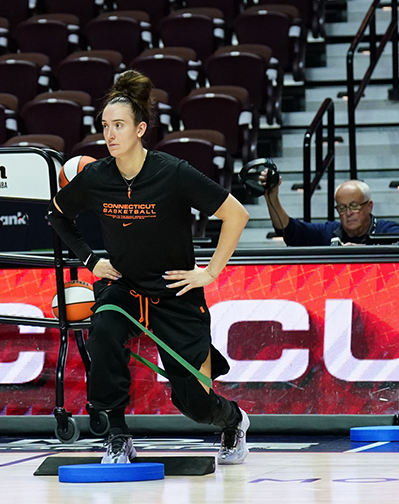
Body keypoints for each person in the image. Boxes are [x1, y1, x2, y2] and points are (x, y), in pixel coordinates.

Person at [48, 70, 253, 466]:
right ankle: (117, 435)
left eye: (119, 125)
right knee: (104, 332)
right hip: (125, 286)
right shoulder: (95, 177)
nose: (110, 134)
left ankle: (233, 421)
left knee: (195, 404)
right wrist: (91, 260)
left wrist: (210, 272)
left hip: (175, 292)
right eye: (105, 126)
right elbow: (57, 215)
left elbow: (236, 214)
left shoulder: (172, 172)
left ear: (140, 129)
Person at [261, 174, 399, 246]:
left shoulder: (388, 229)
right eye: (342, 208)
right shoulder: (329, 232)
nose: (348, 213)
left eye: (354, 206)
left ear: (369, 206)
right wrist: (272, 197)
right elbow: (288, 230)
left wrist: (361, 251)